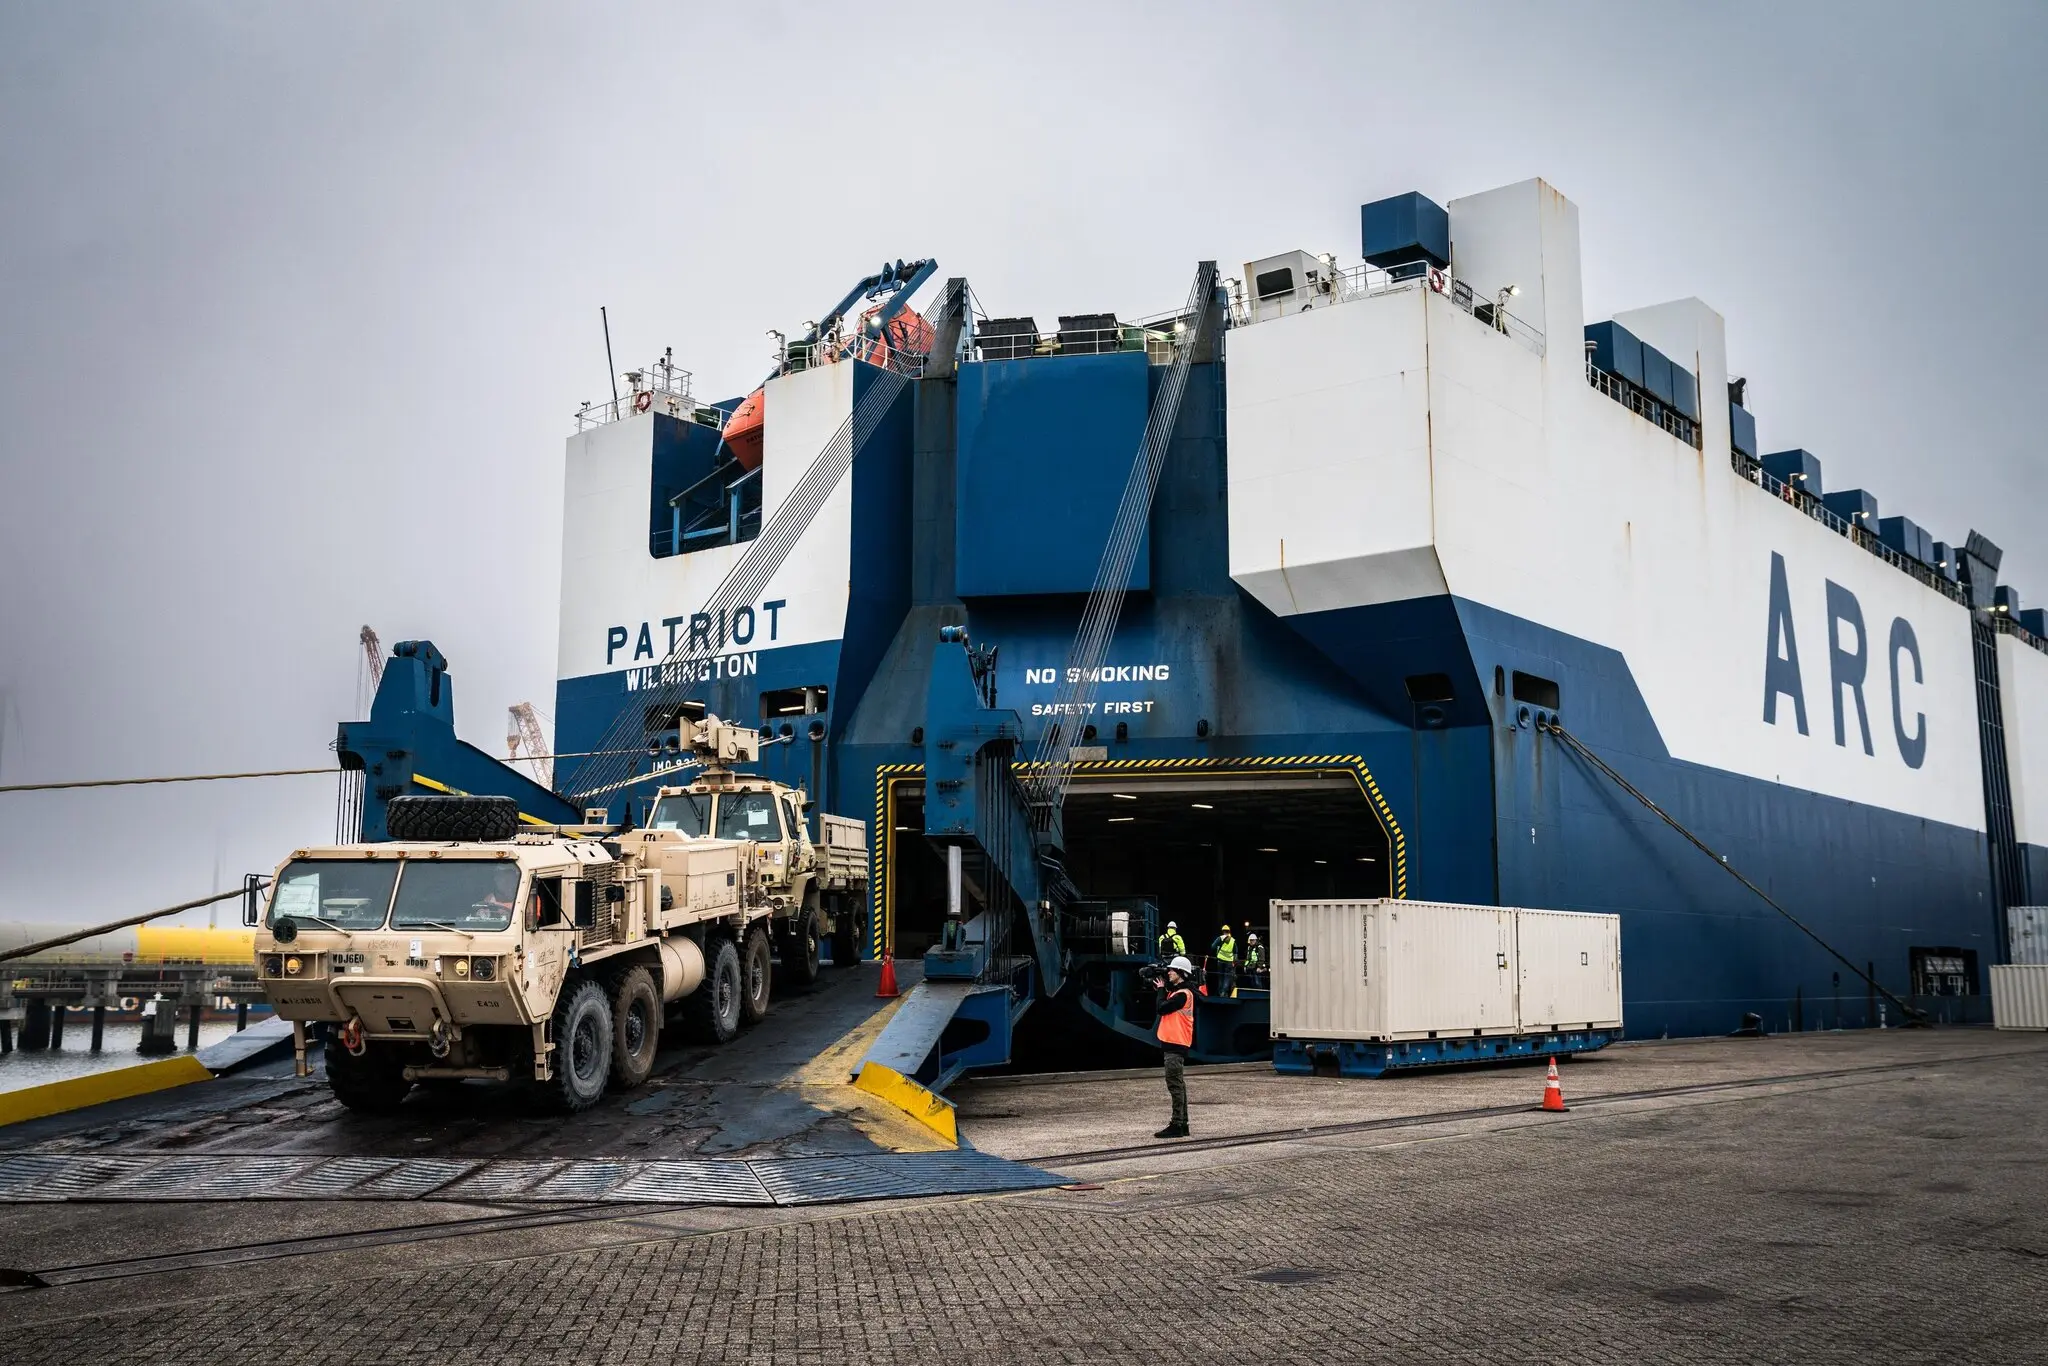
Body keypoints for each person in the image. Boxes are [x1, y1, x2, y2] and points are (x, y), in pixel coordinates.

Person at [1148, 955, 1196, 1138]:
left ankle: (1177, 1124)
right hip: (1176, 1044)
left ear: (1181, 973)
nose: (1169, 972)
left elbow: (1161, 1008)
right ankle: (1182, 1124)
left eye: (1172, 970)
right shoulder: (1180, 993)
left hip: (1175, 1046)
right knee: (1179, 1085)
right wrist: (1162, 987)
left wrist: (1160, 990)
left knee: (1174, 1085)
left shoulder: (1183, 995)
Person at [1209, 923, 1237, 998]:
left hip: (1220, 961)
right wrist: (1234, 962)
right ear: (1229, 931)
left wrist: (1218, 948)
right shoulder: (1233, 940)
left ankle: (1221, 993)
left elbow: (1212, 947)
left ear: (1223, 931)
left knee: (1221, 977)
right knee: (1227, 978)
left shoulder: (1220, 938)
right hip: (1229, 962)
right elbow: (1235, 952)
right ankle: (1224, 993)